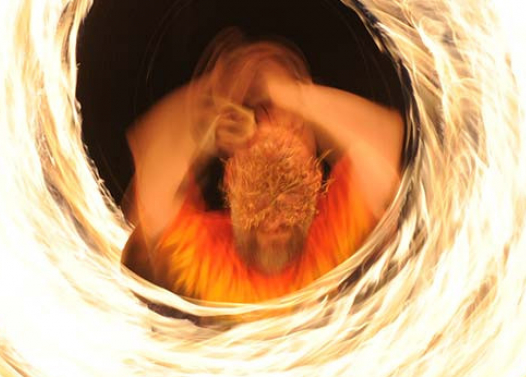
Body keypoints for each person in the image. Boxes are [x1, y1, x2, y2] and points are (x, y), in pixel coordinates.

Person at [122, 30, 403, 304]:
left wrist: (286, 95)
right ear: (230, 178)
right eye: (262, 117)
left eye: (291, 125)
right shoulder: (331, 251)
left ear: (316, 176)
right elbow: (153, 188)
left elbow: (383, 141)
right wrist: (214, 110)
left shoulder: (212, 270)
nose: (273, 217)